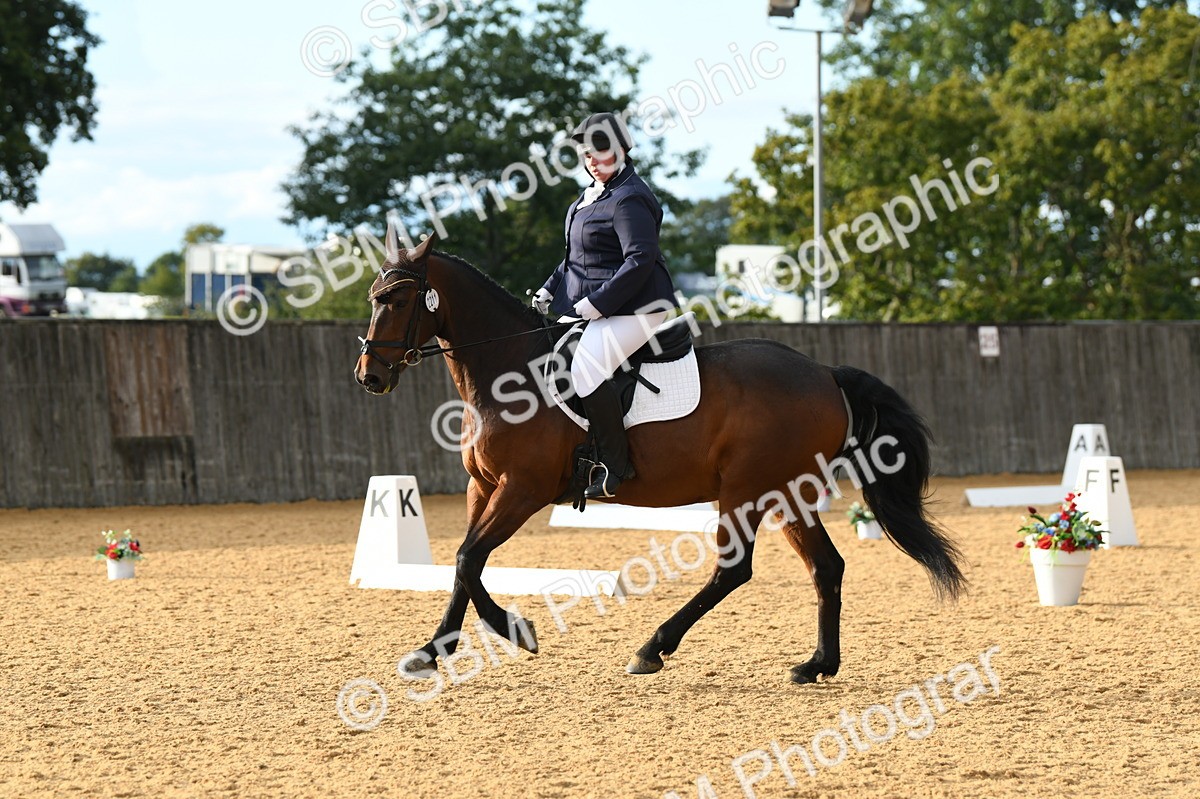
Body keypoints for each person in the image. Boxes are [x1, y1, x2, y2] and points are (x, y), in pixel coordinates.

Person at [532, 112, 680, 499]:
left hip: (640, 306)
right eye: (586, 155)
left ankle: (616, 465)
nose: (592, 162)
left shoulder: (630, 197)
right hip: (603, 305)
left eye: (600, 154)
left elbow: (639, 259)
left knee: (585, 366)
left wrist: (595, 304)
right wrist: (550, 288)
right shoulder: (588, 197)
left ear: (622, 150)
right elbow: (575, 258)